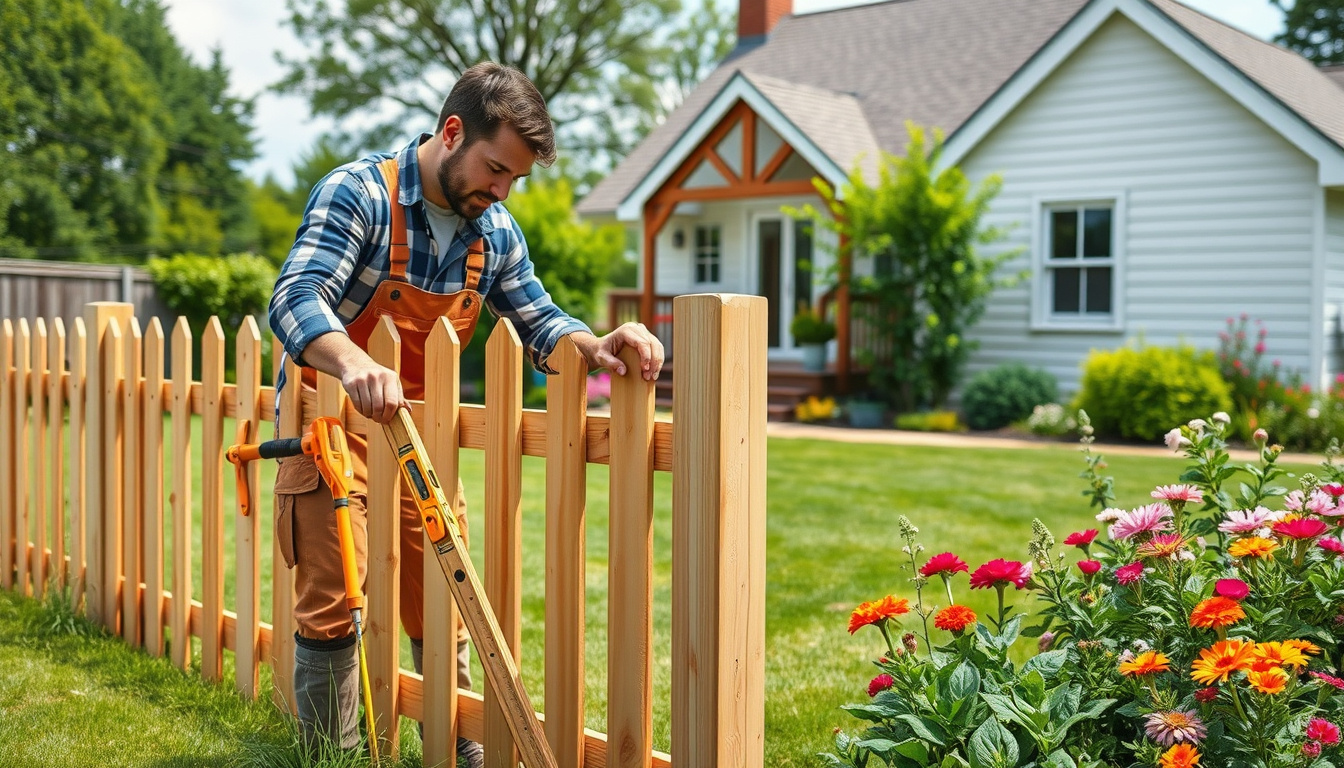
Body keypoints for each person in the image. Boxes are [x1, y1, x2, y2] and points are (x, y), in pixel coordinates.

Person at [267, 61, 664, 764]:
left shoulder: (497, 231)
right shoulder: (358, 193)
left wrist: (596, 343)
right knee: (336, 602)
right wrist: (356, 364)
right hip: (330, 423)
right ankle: (331, 756)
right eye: (495, 169)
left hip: (425, 436)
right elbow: (296, 294)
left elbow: (539, 319)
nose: (502, 190)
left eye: (514, 178)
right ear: (452, 132)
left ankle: (454, 752)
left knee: (444, 601)